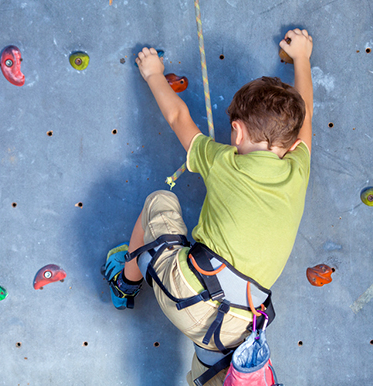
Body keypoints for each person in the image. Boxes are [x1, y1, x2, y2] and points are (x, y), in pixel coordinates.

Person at [103, 28, 313, 385]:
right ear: (292, 145)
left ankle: (125, 282)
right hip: (235, 328)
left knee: (159, 201)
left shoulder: (223, 161)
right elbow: (305, 120)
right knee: (215, 366)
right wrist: (303, 59)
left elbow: (178, 119)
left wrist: (154, 72)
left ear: (237, 132)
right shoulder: (298, 169)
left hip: (188, 295)